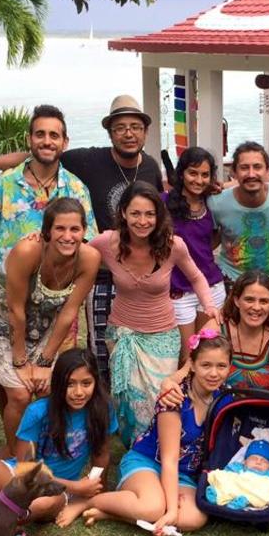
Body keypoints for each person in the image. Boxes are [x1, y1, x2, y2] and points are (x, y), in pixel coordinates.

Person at [0, 94, 164, 382]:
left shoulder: (143, 169)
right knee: (13, 379)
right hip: (19, 289)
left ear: (145, 130)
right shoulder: (84, 162)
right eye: (120, 127)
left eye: (135, 126)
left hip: (78, 289)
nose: (129, 133)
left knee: (75, 366)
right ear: (110, 132)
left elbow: (153, 211)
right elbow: (34, 155)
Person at [88, 182, 217, 446]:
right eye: (135, 213)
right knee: (129, 400)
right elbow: (73, 253)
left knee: (162, 396)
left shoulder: (173, 245)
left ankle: (161, 447)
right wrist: (39, 240)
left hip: (163, 337)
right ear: (123, 213)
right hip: (122, 335)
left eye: (149, 214)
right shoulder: (107, 243)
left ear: (158, 216)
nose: (142, 221)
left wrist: (210, 306)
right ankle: (137, 450)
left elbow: (197, 278)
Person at [0, 197, 101, 457]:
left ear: (84, 231)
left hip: (45, 317)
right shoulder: (28, 251)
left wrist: (43, 362)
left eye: (75, 229)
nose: (68, 236)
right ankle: (16, 459)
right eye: (60, 229)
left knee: (47, 387)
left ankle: (38, 448)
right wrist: (21, 363)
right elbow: (15, 311)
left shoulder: (89, 259)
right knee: (20, 393)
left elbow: (68, 313)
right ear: (47, 232)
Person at [0, 348, 118, 531]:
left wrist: (96, 489)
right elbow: (24, 470)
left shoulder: (102, 409)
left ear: (96, 382)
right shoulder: (38, 412)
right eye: (70, 384)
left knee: (42, 504)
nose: (78, 392)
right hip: (20, 479)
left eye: (86, 383)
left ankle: (3, 519)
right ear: (59, 384)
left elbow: (101, 455)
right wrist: (77, 487)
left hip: (56, 493)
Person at [82, 332, 233, 535]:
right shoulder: (174, 399)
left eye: (221, 366)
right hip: (148, 462)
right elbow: (169, 459)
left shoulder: (225, 398)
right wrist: (171, 510)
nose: (214, 373)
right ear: (192, 364)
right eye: (206, 365)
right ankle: (89, 501)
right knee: (152, 507)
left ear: (229, 367)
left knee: (194, 518)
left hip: (184, 473)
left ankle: (112, 513)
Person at [0, 104, 97, 269]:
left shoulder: (77, 189)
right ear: (29, 139)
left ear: (64, 142)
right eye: (40, 134)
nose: (47, 141)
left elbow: (88, 242)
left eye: (54, 135)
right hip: (7, 285)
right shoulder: (4, 183)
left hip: (59, 286)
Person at [159, 269, 269, 402]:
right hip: (217, 410)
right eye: (249, 300)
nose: (256, 307)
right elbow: (188, 369)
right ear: (237, 300)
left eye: (264, 301)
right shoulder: (217, 328)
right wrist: (169, 382)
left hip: (262, 413)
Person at [208, 141, 269, 295]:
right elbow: (207, 241)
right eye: (244, 168)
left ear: (268, 171)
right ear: (233, 173)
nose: (251, 174)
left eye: (257, 167)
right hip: (230, 277)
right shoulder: (216, 203)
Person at [164, 147, 225, 361]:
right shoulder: (164, 203)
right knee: (185, 356)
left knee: (206, 353)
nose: (198, 180)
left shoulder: (213, 204)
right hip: (179, 290)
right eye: (193, 173)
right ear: (181, 174)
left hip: (212, 287)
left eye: (205, 175)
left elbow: (211, 239)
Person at [205, 438, 269, 510]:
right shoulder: (238, 467)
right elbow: (227, 473)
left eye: (264, 461)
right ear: (245, 461)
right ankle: (217, 494)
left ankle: (243, 501)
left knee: (264, 495)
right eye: (254, 459)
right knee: (224, 479)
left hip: (252, 491)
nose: (258, 462)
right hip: (235, 486)